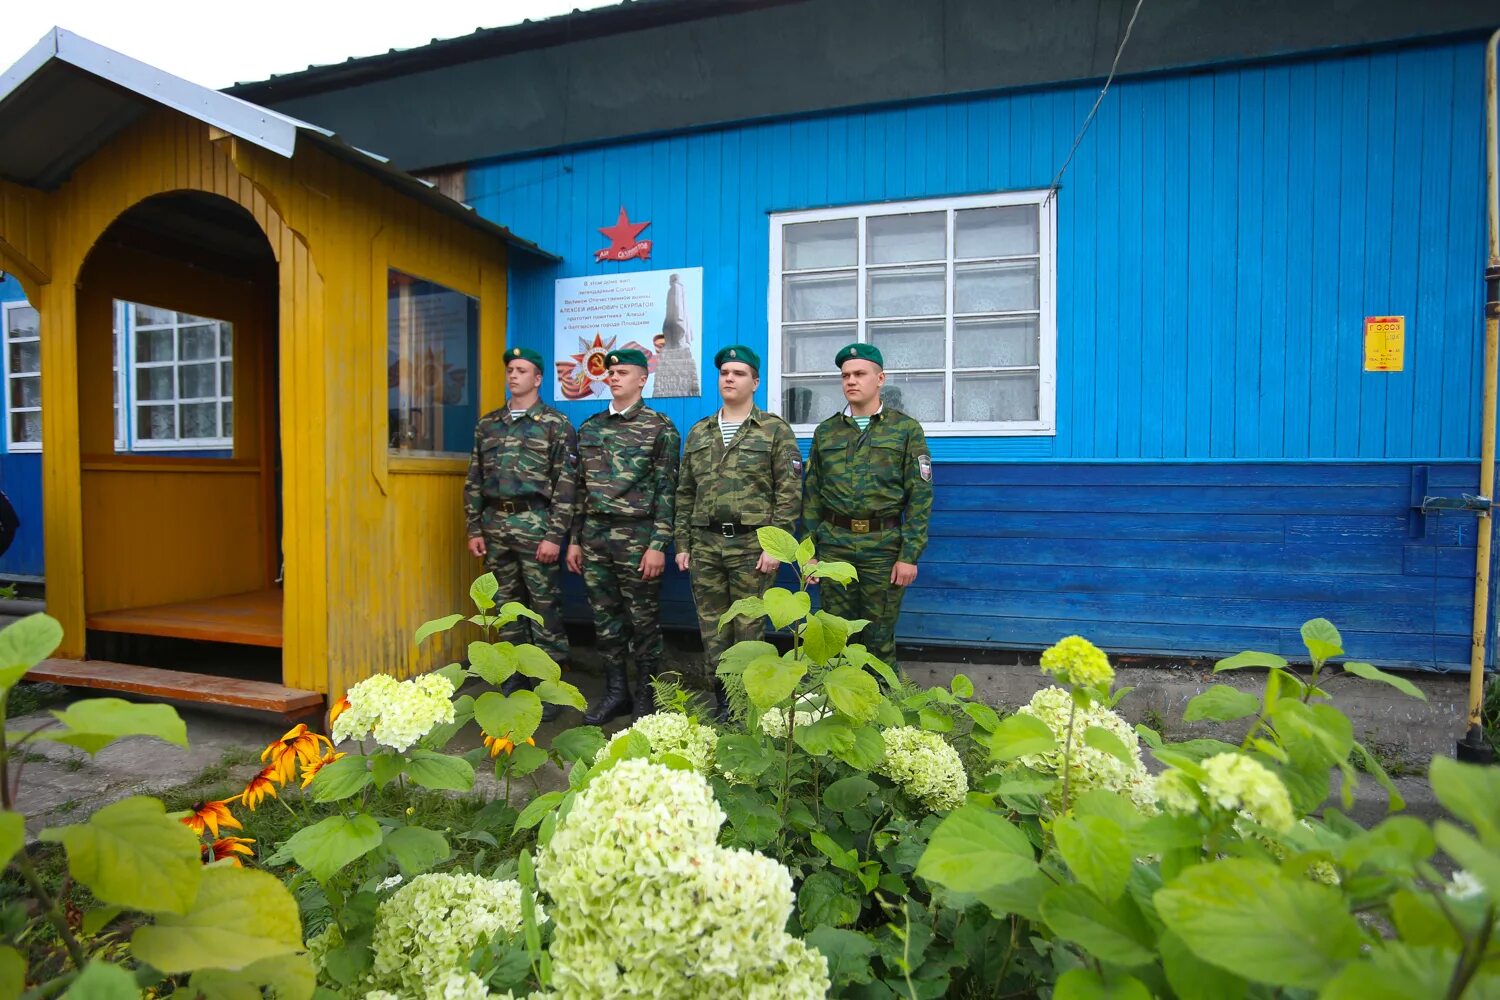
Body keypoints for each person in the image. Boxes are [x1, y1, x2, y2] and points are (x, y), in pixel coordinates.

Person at [675, 345, 802, 720]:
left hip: (752, 546)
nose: (729, 378)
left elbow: (789, 491)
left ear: (755, 382)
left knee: (748, 629)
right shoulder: (699, 432)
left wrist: (776, 544)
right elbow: (685, 491)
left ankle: (749, 708)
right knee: (712, 629)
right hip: (706, 545)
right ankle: (725, 705)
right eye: (724, 372)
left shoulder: (774, 430)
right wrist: (682, 543)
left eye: (739, 373)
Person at [464, 346, 578, 720]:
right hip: (496, 526)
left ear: (538, 378)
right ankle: (514, 676)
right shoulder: (488, 424)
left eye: (522, 370)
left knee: (544, 606)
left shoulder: (554, 424)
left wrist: (554, 535)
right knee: (506, 606)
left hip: (536, 524)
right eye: (510, 369)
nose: (514, 375)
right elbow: (475, 479)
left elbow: (566, 485)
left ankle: (548, 683)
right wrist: (474, 527)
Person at [567, 349, 681, 724]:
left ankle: (648, 698)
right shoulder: (590, 428)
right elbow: (581, 489)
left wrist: (657, 545)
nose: (614, 377)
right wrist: (576, 540)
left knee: (643, 620)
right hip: (596, 535)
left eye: (623, 372)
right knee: (605, 620)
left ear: (642, 379)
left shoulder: (659, 427)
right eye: (611, 371)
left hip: (637, 535)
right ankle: (617, 693)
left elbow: (668, 491)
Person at [803, 343, 933, 669]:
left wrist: (909, 556)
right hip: (835, 545)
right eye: (845, 375)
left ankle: (880, 714)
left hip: (883, 547)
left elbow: (920, 496)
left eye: (859, 373)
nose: (851, 381)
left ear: (880, 379)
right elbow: (812, 496)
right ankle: (835, 711)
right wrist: (809, 553)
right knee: (835, 633)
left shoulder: (905, 430)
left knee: (878, 637)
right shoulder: (826, 433)